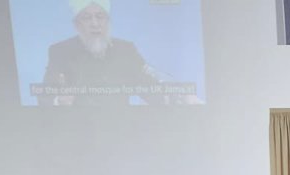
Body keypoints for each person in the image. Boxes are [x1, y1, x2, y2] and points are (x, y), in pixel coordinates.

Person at [39, 0, 187, 106]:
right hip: (78, 130)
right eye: (86, 17)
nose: (95, 23)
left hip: (121, 128)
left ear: (108, 21)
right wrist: (58, 101)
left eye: (100, 16)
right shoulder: (60, 51)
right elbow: (45, 96)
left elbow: (148, 87)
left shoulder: (126, 49)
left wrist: (175, 98)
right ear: (76, 24)